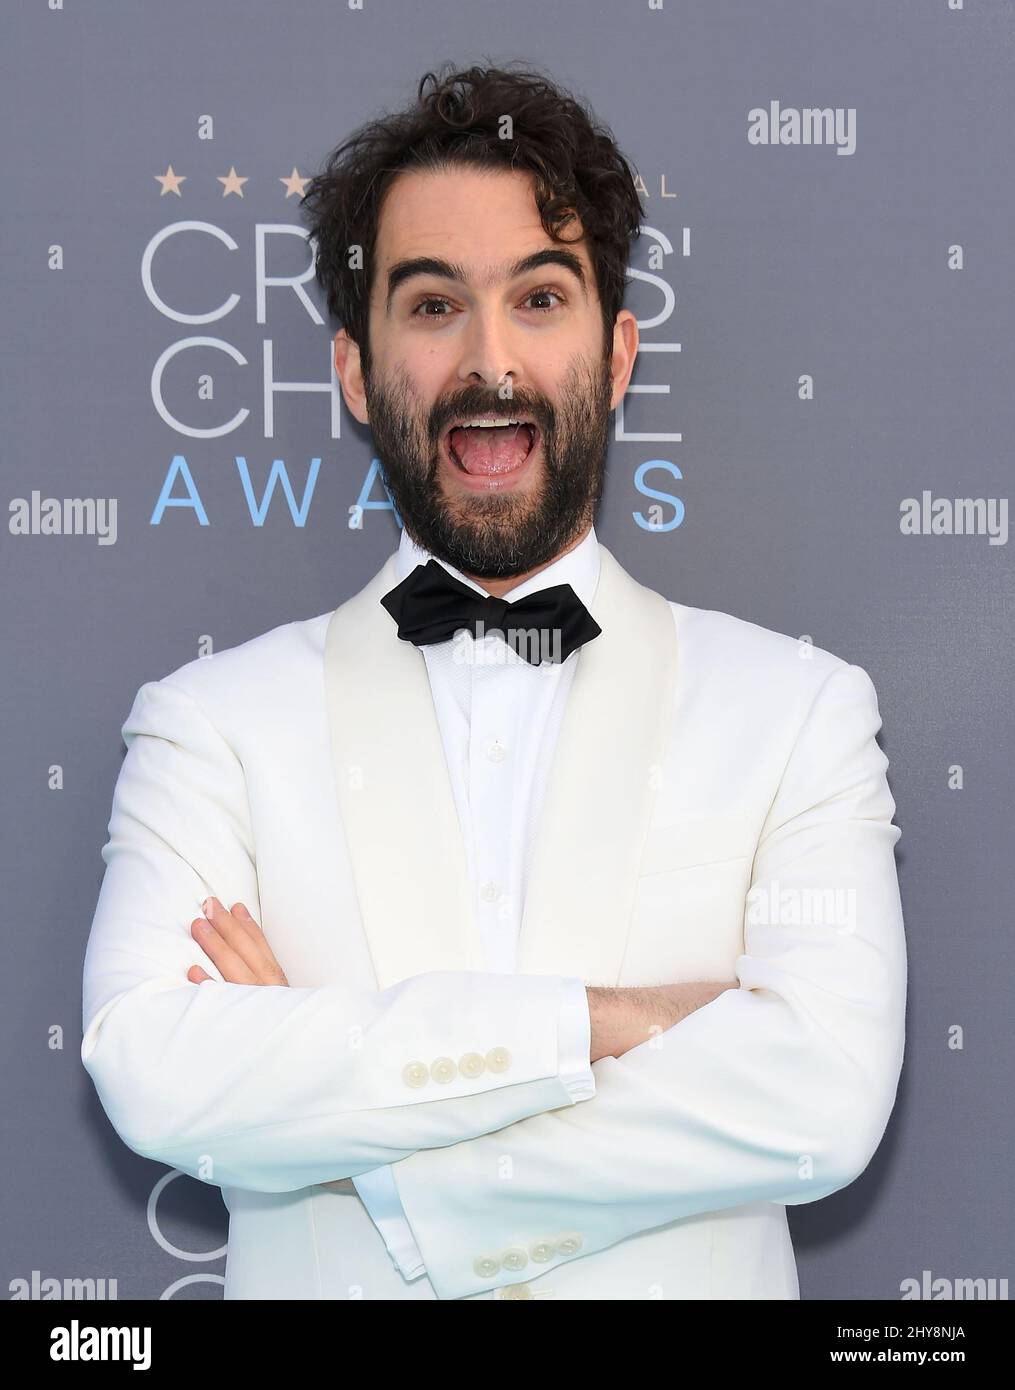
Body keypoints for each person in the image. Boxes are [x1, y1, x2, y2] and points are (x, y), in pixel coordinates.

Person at [81, 63, 907, 1301]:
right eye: (429, 305)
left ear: (617, 353)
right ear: (357, 373)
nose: (490, 359)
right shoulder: (209, 727)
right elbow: (153, 1067)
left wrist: (358, 1130)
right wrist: (605, 1021)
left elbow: (824, 1102)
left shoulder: (799, 714)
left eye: (539, 297)